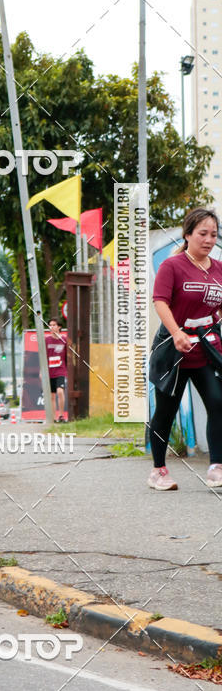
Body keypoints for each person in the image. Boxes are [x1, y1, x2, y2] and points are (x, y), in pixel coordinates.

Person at [149, 207, 222, 490]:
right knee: (166, 411)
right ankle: (158, 471)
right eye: (202, 233)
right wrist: (177, 332)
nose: (208, 239)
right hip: (174, 350)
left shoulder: (218, 269)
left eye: (213, 235)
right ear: (188, 234)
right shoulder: (173, 266)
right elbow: (160, 301)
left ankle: (216, 466)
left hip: (206, 349)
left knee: (218, 403)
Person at [46, 317, 67, 423]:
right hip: (49, 372)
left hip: (61, 371)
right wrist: (42, 372)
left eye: (54, 325)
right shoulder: (47, 340)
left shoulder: (64, 340)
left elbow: (68, 356)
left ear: (59, 327)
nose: (52, 327)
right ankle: (54, 418)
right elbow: (43, 356)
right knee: (52, 396)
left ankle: (62, 415)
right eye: (50, 325)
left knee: (60, 391)